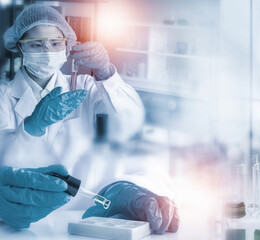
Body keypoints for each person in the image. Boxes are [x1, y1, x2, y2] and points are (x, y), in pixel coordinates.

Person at [0, 4, 179, 234]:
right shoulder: (3, 97)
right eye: (36, 44)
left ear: (66, 46)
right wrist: (30, 129)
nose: (46, 51)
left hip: (87, 219)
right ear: (19, 48)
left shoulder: (86, 86)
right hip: (23, 222)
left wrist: (106, 74)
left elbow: (130, 119)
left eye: (55, 43)